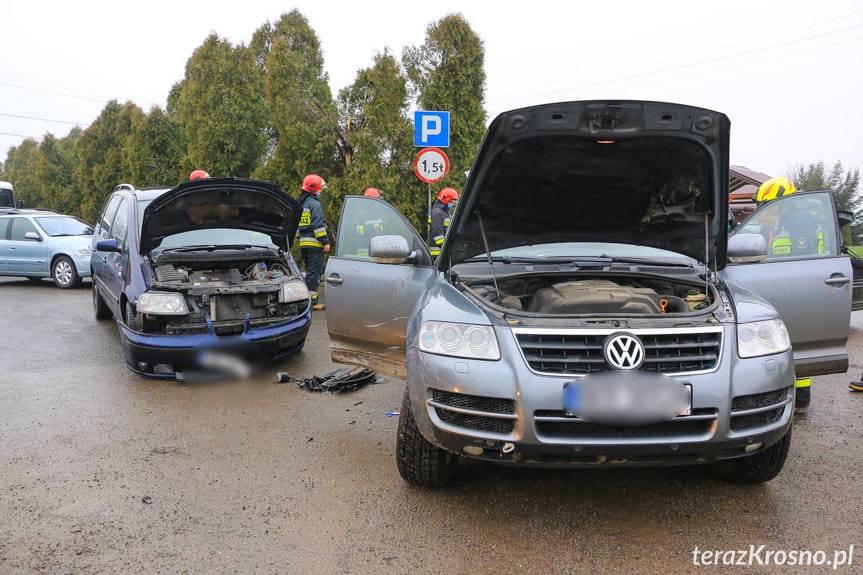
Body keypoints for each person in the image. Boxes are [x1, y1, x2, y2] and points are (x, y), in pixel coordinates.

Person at [755, 176, 816, 410]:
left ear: (781, 202)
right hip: (789, 284)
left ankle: (800, 399)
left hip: (799, 288)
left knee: (796, 341)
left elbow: (802, 256)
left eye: (765, 207)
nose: (763, 212)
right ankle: (795, 397)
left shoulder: (800, 221)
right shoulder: (785, 222)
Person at [297, 174, 330, 311]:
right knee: (314, 273)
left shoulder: (301, 204)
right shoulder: (314, 204)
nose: (320, 191)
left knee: (310, 272)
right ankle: (312, 302)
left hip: (303, 244)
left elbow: (298, 228)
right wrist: (326, 242)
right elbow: (318, 227)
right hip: (315, 244)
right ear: (314, 188)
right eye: (319, 189)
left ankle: (306, 298)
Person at [428, 187, 458, 257]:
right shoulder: (437, 212)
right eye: (452, 202)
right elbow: (437, 232)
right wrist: (444, 247)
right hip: (436, 253)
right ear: (446, 200)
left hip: (441, 253)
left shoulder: (445, 212)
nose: (452, 204)